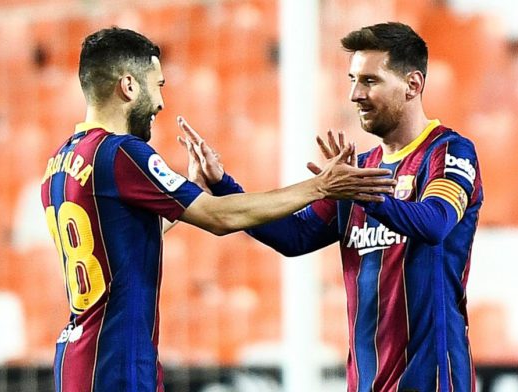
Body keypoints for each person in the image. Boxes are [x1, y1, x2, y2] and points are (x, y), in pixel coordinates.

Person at [40, 27, 397, 392]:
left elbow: (124, 236)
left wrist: (192, 188)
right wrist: (321, 186)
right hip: (117, 363)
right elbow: (220, 217)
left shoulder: (61, 162)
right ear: (129, 86)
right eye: (157, 85)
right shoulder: (121, 152)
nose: (161, 102)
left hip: (77, 359)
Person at [182, 22, 483, 392]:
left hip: (433, 380)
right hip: (366, 381)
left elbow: (435, 223)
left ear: (413, 85)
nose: (355, 94)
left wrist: (360, 193)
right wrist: (222, 184)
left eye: (370, 81)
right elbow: (295, 237)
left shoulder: (448, 152)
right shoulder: (358, 172)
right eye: (352, 80)